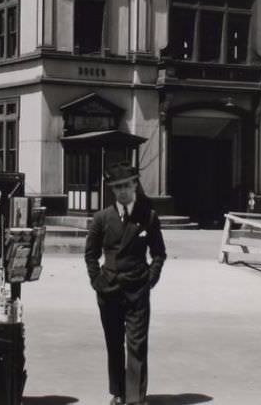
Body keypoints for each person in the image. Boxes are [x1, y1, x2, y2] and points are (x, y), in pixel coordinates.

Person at [85, 163, 167, 405]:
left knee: (137, 345)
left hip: (137, 290)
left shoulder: (148, 216)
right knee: (114, 343)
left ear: (135, 185)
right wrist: (96, 280)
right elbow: (90, 254)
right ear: (112, 189)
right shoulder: (102, 218)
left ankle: (135, 399)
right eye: (117, 187)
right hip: (108, 290)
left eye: (126, 186)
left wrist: (150, 279)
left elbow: (159, 253)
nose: (122, 191)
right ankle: (118, 393)